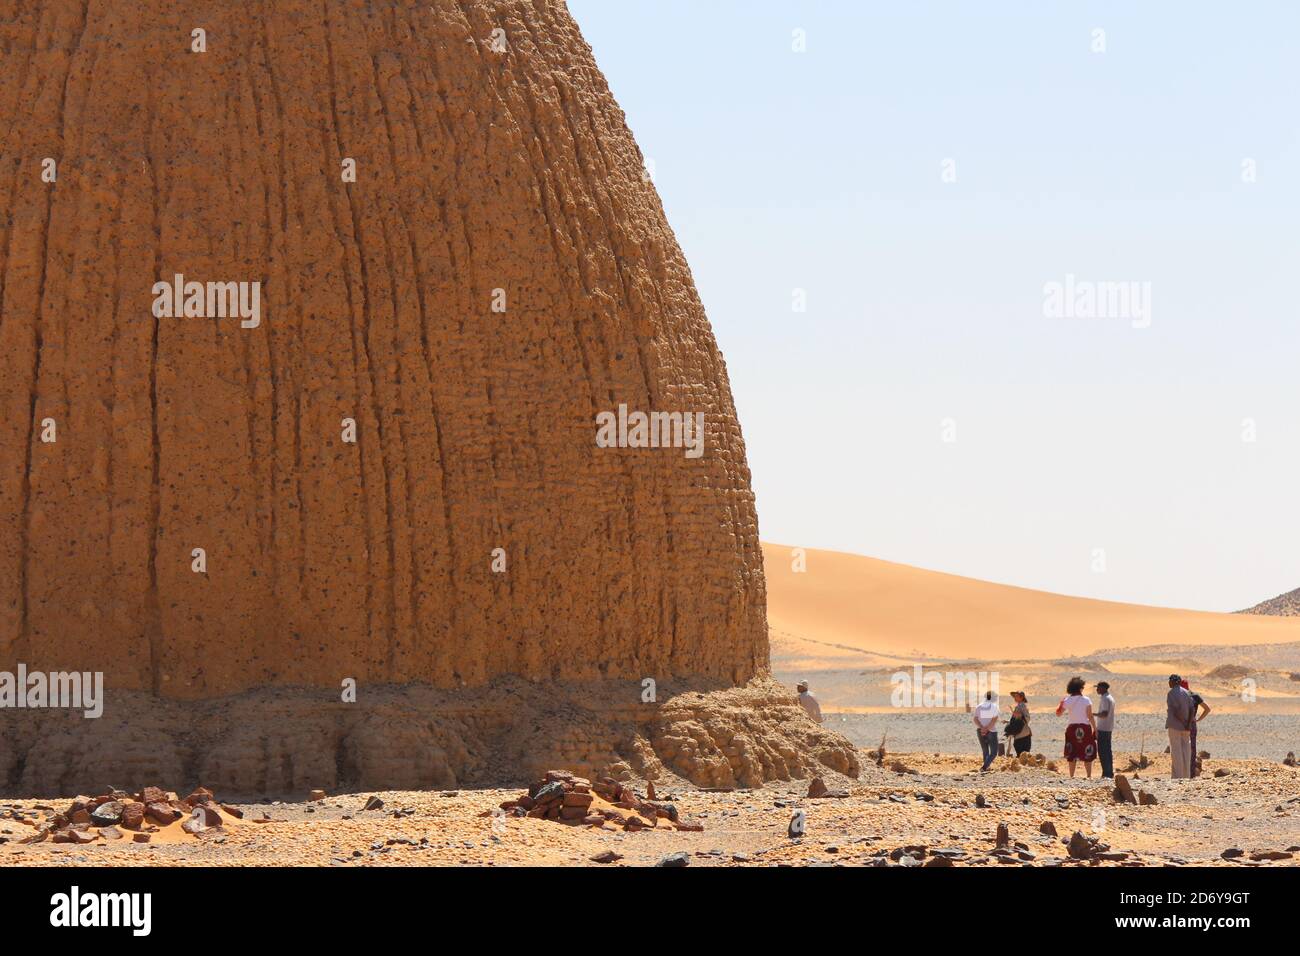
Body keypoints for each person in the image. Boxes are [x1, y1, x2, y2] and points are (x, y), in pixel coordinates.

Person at [1055, 676, 1097, 777]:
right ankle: (1089, 776)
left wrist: (1062, 703)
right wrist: (1095, 728)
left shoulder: (1067, 700)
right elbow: (1090, 715)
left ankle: (1072, 776)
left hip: (1072, 728)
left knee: (1072, 751)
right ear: (1079, 688)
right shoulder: (1086, 700)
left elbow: (1058, 714)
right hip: (1085, 728)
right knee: (1088, 750)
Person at [1165, 674, 1195, 779]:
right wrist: (1188, 723)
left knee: (1176, 751)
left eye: (1170, 681)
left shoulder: (1171, 693)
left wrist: (1183, 722)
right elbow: (1192, 709)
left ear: (1174, 682)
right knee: (1186, 751)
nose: (1169, 683)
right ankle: (1186, 776)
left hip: (1175, 726)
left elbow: (1174, 710)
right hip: (1186, 727)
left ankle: (1178, 777)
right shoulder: (1187, 692)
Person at [1180, 679, 1211, 778]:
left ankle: (1182, 773)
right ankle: (1191, 774)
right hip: (1192, 723)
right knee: (1192, 748)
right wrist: (1198, 719)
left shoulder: (1179, 696)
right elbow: (1207, 709)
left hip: (1181, 724)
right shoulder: (1194, 696)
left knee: (1181, 748)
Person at [973, 691, 1000, 771]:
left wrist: (982, 728)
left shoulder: (979, 706)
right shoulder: (994, 706)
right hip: (991, 731)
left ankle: (986, 766)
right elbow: (994, 720)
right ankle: (984, 767)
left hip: (980, 730)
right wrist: (987, 728)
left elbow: (975, 719)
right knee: (994, 752)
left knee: (985, 751)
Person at [1094, 681, 1116, 778]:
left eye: (1098, 687)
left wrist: (1093, 714)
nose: (1097, 689)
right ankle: (1108, 772)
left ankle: (1107, 773)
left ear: (1103, 688)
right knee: (1107, 751)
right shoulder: (1109, 697)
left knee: (1103, 752)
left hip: (1103, 728)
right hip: (1107, 728)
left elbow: (1104, 714)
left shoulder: (1105, 699)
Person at [1007, 691, 1033, 755]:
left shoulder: (1022, 706)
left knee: (1023, 756)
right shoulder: (1018, 706)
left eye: (1016, 696)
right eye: (1014, 696)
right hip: (1019, 735)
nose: (1015, 698)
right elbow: (1017, 720)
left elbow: (1027, 718)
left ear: (1021, 698)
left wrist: (1020, 715)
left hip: (1023, 736)